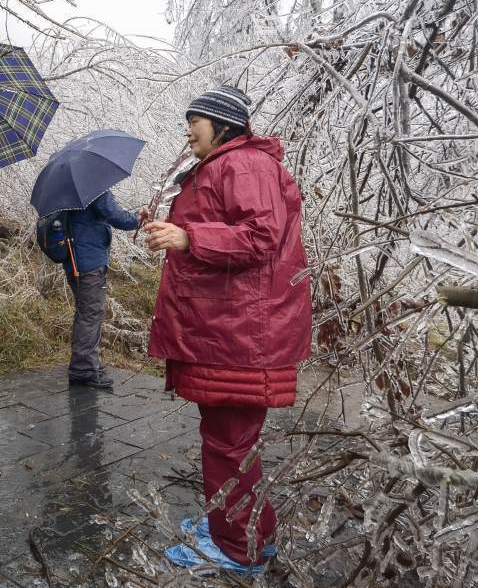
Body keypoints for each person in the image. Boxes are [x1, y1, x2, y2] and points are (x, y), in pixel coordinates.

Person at [144, 85, 311, 575]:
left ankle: (238, 550)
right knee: (229, 440)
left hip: (239, 333)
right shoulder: (229, 165)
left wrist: (189, 236)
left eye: (194, 120)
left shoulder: (245, 164)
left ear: (221, 125)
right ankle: (244, 530)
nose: (187, 129)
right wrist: (175, 227)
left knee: (228, 443)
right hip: (229, 329)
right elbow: (230, 227)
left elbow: (260, 236)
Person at [61, 190, 139, 389]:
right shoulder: (93, 187)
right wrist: (138, 218)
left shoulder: (67, 191)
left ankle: (87, 364)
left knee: (84, 314)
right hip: (90, 262)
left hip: (73, 261)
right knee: (91, 315)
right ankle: (84, 370)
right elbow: (118, 217)